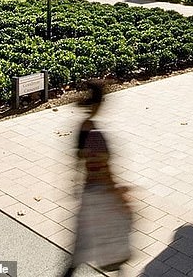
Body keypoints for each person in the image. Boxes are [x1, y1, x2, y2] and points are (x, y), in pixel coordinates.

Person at [63, 81, 132, 276]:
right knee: (114, 243)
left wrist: (76, 185)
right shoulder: (96, 135)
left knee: (79, 250)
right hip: (101, 194)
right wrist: (119, 195)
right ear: (98, 104)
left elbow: (78, 162)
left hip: (87, 193)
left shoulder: (81, 129)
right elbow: (103, 169)